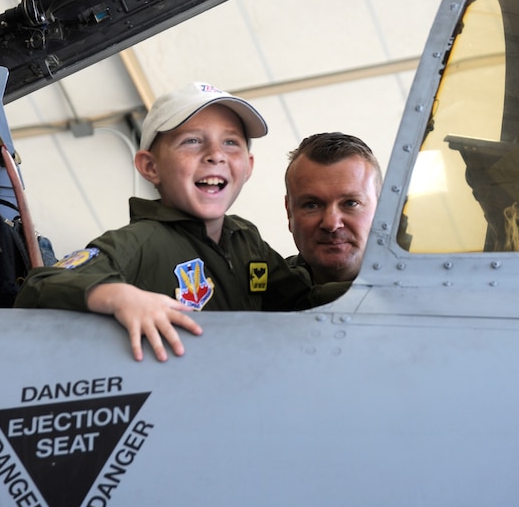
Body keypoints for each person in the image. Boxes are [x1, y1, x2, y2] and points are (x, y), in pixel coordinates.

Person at [17, 82, 308, 362]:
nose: (216, 155)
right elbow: (40, 285)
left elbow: (302, 301)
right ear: (150, 167)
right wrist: (120, 297)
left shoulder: (246, 240)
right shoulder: (138, 242)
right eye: (192, 141)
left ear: (248, 166)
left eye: (231, 142)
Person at [282, 132, 379, 307]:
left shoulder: (430, 290)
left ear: (382, 209)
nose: (331, 224)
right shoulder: (259, 298)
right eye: (312, 205)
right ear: (289, 212)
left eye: (350, 203)